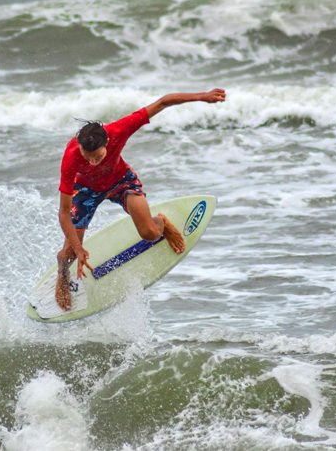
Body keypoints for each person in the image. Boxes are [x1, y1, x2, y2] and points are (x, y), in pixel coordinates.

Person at [55, 88, 226, 310]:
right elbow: (64, 212)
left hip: (120, 182)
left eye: (97, 157)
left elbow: (163, 102)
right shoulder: (71, 158)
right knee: (67, 254)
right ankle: (61, 275)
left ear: (107, 142)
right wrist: (78, 248)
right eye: (87, 158)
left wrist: (202, 96)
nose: (92, 163)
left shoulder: (119, 130)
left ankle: (162, 222)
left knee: (150, 234)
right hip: (86, 191)